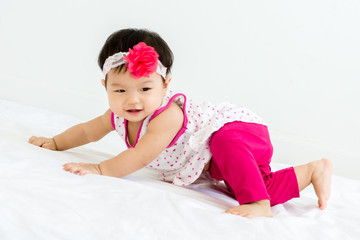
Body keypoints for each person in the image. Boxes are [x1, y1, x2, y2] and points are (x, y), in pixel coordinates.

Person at [29, 28, 332, 218]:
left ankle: (259, 206)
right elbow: (86, 131)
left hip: (237, 131)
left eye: (145, 89)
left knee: (229, 153)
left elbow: (141, 155)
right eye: (119, 90)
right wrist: (56, 142)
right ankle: (311, 171)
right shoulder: (117, 116)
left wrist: (99, 168)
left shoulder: (167, 115)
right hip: (216, 157)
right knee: (245, 187)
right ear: (104, 86)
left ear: (166, 85)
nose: (132, 101)